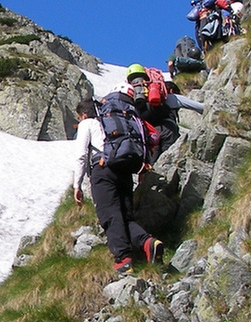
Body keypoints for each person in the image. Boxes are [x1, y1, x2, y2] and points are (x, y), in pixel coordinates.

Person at [72, 90, 163, 274]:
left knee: (110, 214)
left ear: (83, 115)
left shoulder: (88, 123)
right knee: (125, 216)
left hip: (102, 170)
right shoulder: (115, 123)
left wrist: (77, 185)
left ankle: (123, 260)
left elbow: (81, 155)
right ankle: (148, 243)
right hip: (125, 170)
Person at [125, 63, 205, 158]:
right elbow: (198, 107)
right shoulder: (168, 97)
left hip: (147, 133)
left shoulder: (132, 98)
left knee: (153, 164)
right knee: (168, 161)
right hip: (168, 129)